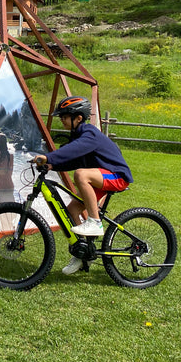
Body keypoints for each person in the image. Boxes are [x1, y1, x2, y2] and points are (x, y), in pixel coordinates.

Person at [34, 95, 133, 275]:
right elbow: (73, 158)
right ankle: (82, 253)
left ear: (78, 118)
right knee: (71, 210)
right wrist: (51, 165)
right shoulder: (78, 136)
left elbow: (72, 152)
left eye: (64, 116)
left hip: (117, 176)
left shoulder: (89, 134)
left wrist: (49, 157)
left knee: (81, 174)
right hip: (102, 177)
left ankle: (95, 222)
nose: (61, 119)